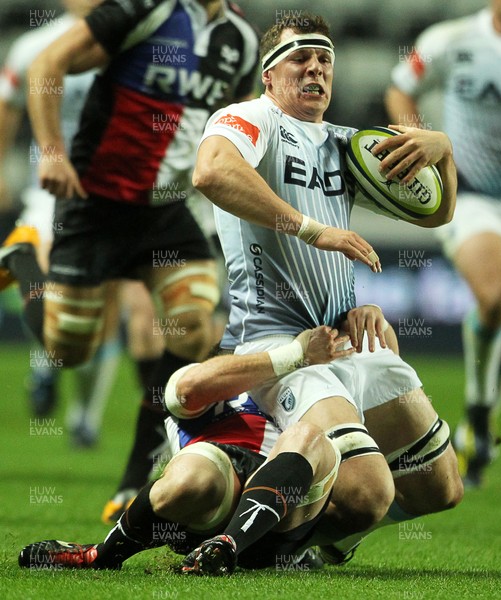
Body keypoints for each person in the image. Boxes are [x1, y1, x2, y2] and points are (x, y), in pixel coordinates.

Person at [183, 12, 463, 573]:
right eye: (300, 56)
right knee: (365, 491)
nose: (316, 67)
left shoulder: (345, 144)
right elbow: (211, 173)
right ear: (268, 74)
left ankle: (316, 541)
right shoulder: (249, 118)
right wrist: (314, 228)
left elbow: (436, 212)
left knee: (440, 488)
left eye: (326, 58)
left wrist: (444, 150)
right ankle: (246, 543)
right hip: (281, 346)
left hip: (347, 337)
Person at [0, 0, 259, 518]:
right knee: (69, 349)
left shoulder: (242, 43)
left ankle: (134, 480)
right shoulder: (145, 9)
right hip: (95, 201)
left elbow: (240, 128)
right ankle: (21, 254)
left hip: (167, 211)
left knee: (192, 329)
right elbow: (46, 64)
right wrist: (51, 152)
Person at [18, 325, 348, 572]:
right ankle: (103, 555)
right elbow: (188, 391)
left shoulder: (310, 385)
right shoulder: (192, 379)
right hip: (216, 499)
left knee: (308, 435)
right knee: (191, 474)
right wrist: (294, 353)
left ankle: (241, 547)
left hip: (287, 516)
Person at [385, 0, 501, 487]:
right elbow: (401, 89)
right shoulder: (452, 39)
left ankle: (477, 421)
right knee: (498, 295)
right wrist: (417, 144)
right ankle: (480, 418)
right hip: (473, 195)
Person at [0, 0, 128, 446]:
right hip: (52, 187)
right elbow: (6, 106)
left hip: (116, 194)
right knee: (50, 269)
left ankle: (84, 415)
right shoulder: (35, 44)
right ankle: (45, 361)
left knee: (105, 306)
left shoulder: (132, 43)